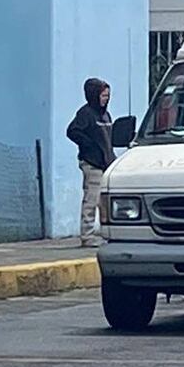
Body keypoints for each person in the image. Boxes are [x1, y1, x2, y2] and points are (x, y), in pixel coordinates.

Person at [66, 78, 116, 247]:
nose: (106, 99)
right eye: (103, 95)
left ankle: (106, 233)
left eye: (108, 95)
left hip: (106, 164)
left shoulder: (105, 115)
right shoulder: (86, 114)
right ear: (94, 95)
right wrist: (88, 146)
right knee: (91, 199)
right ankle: (87, 235)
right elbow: (72, 131)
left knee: (105, 202)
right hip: (92, 163)